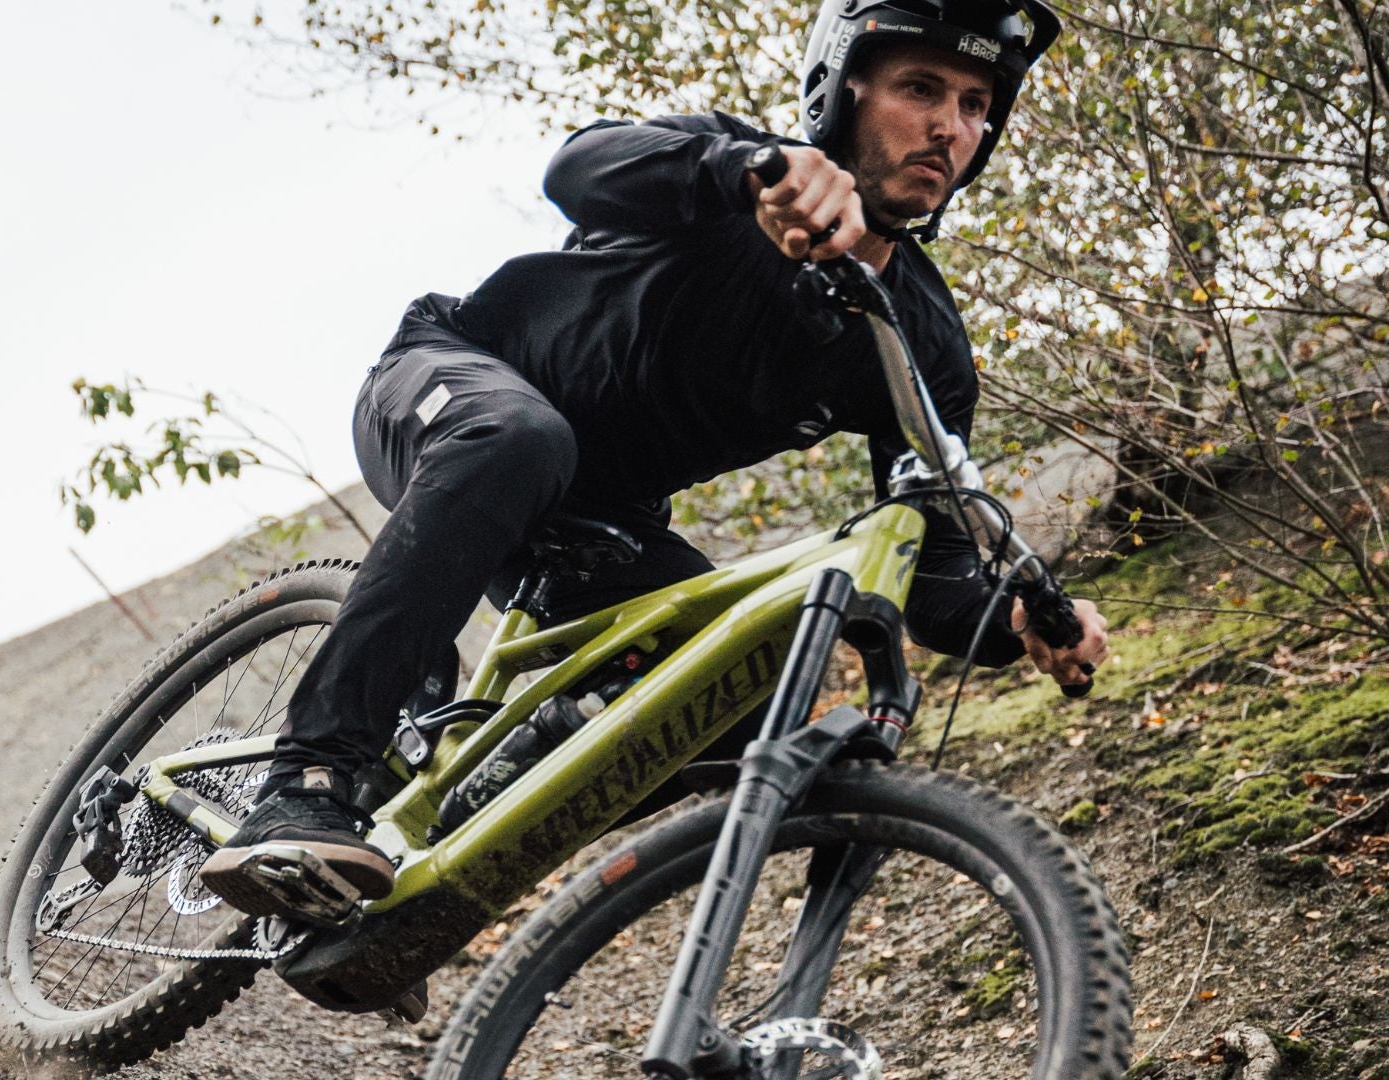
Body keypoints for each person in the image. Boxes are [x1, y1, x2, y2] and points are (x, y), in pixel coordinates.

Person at [200, 0, 1108, 918]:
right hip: (459, 382)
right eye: (921, 89)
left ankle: (421, 888)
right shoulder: (741, 170)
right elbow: (577, 169)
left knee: (748, 695)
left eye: (975, 103)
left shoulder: (922, 346)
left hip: (600, 523)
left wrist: (1015, 624)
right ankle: (306, 778)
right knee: (522, 441)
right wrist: (745, 173)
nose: (949, 126)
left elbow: (937, 577)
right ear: (846, 90)